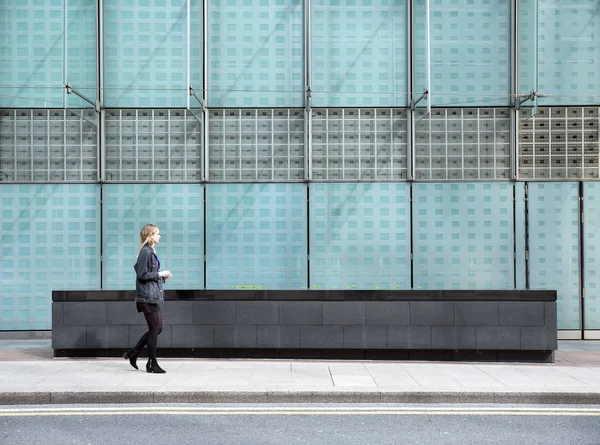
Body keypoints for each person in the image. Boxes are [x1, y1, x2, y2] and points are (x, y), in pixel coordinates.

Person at [123, 224, 172, 373]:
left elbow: (148, 275)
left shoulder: (150, 251)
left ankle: (134, 353)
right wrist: (160, 274)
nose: (160, 236)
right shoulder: (146, 252)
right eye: (157, 233)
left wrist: (161, 277)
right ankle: (151, 363)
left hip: (151, 296)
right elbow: (142, 275)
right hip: (147, 298)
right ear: (150, 235)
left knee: (157, 328)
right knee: (155, 328)